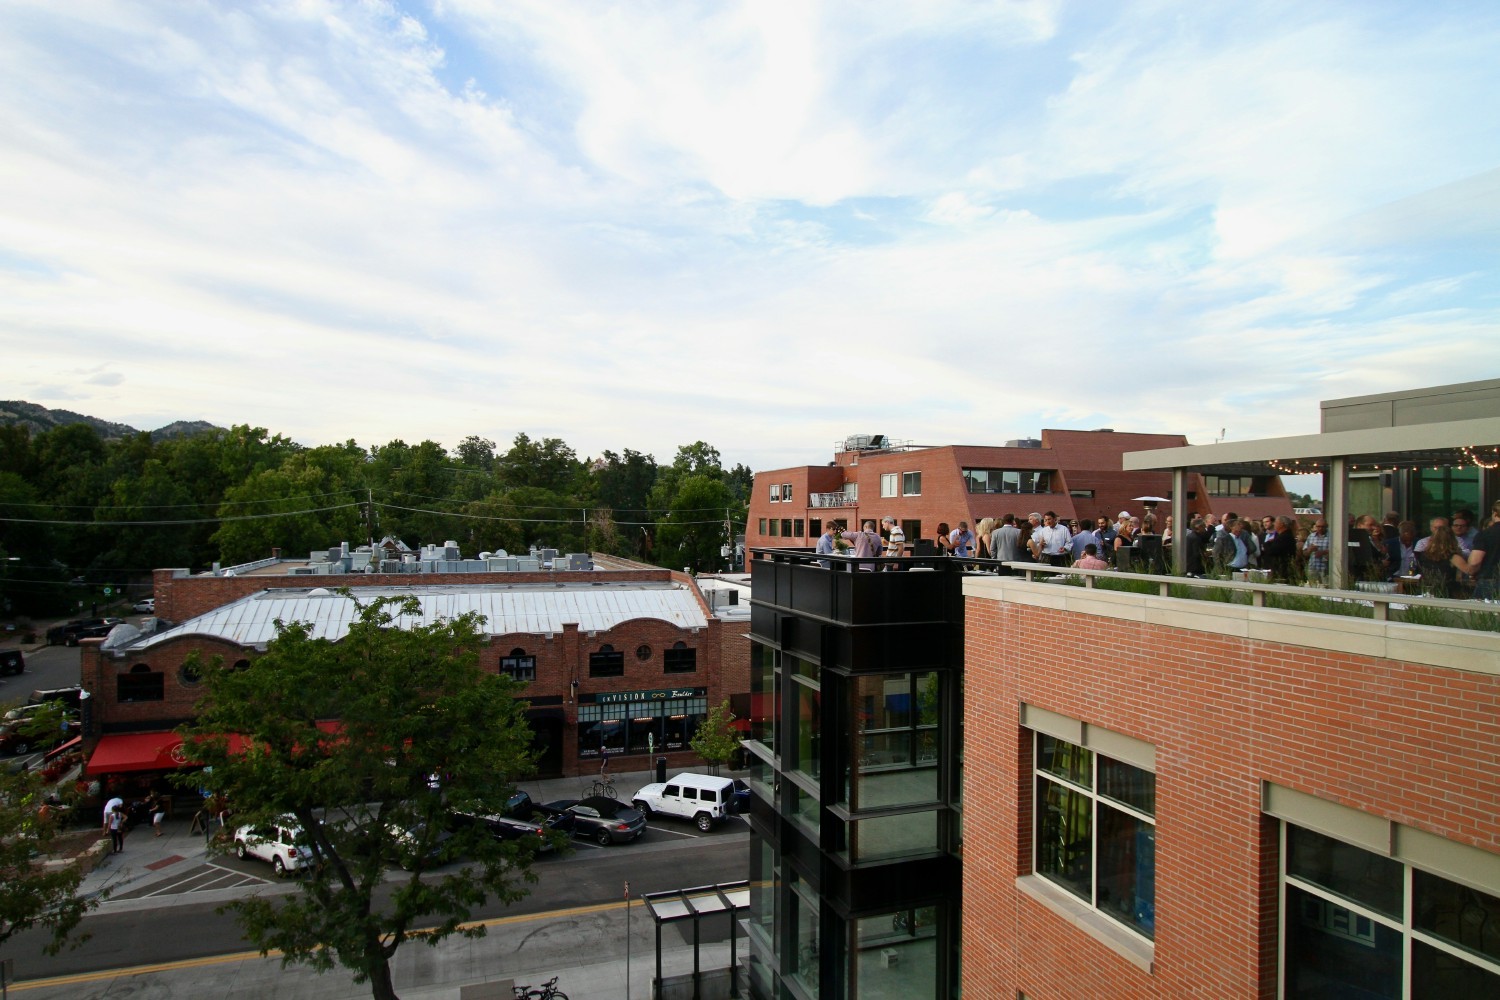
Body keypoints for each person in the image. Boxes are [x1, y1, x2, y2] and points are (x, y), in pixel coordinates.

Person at [1415, 522, 1468, 598]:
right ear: (1452, 539)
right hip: (1445, 590)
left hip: (1425, 588)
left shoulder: (1424, 554)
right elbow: (1468, 570)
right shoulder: (1452, 556)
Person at [1463, 509, 1500, 601]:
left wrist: (1471, 573)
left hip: (1491, 581)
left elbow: (1475, 562)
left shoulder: (1486, 534)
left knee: (1483, 614)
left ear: (1495, 513)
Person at [1260, 516, 1297, 581]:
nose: (1274, 524)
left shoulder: (1285, 537)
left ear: (1282, 524)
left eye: (1276, 522)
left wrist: (1267, 544)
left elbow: (1272, 551)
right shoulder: (1281, 536)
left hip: (1282, 570)